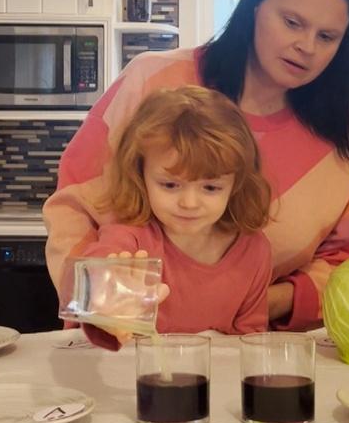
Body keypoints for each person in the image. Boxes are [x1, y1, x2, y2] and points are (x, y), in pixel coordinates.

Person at [44, 0, 349, 330]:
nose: (306, 46)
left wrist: (255, 298)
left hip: (251, 352)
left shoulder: (340, 144)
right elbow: (73, 206)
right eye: (292, 22)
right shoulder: (151, 79)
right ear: (255, 5)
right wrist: (101, 304)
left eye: (327, 37)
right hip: (119, 346)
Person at [76, 86, 273, 350]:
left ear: (236, 184)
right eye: (170, 185)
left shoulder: (254, 251)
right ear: (140, 174)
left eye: (211, 188)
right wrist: (109, 309)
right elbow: (97, 285)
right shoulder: (129, 238)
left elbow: (250, 344)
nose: (189, 203)